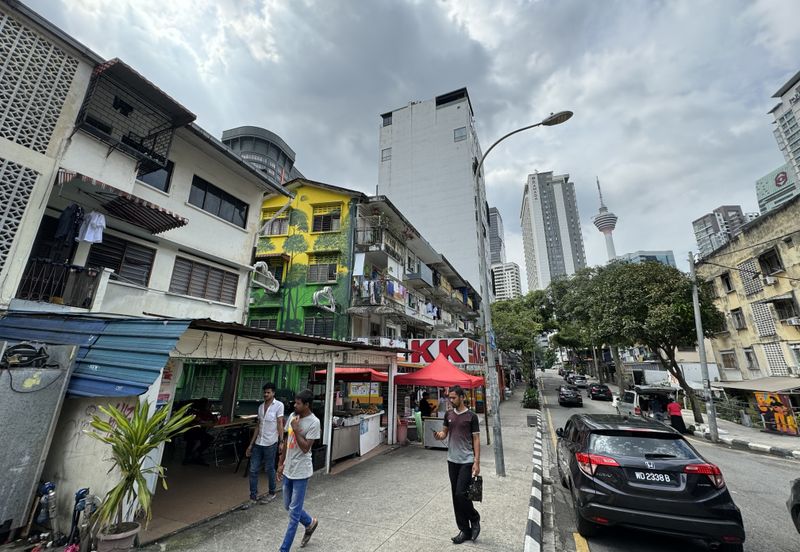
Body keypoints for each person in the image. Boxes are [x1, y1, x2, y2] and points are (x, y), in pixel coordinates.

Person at [433, 385, 481, 544]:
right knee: (455, 496)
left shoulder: (471, 416)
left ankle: (474, 518)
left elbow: (476, 439)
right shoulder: (448, 415)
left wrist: (477, 462)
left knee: (461, 493)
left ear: (461, 397)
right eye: (449, 398)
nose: (451, 400)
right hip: (451, 460)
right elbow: (444, 433)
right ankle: (464, 530)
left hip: (466, 461)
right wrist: (439, 436)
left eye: (453, 398)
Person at [277, 389, 321, 551]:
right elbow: (288, 442)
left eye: (298, 403)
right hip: (289, 468)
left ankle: (284, 549)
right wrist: (281, 464)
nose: (295, 405)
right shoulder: (292, 417)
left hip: (301, 471)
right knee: (288, 506)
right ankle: (310, 522)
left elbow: (305, 448)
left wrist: (296, 429)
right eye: (295, 402)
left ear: (307, 405)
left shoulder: (314, 422)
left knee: (293, 515)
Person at [245, 382, 285, 507]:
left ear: (273, 393)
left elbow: (280, 423)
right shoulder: (261, 407)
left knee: (269, 469)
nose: (265, 394)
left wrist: (281, 441)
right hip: (258, 442)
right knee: (253, 469)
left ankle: (272, 492)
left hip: (270, 442)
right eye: (265, 392)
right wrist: (251, 444)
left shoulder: (279, 405)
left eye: (268, 392)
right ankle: (253, 496)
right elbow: (258, 425)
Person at [183, 398, 217, 465]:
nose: (208, 405)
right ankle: (193, 455)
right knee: (206, 439)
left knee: (208, 438)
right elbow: (194, 421)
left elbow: (213, 418)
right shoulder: (194, 411)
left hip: (198, 431)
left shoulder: (205, 411)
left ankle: (196, 454)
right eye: (207, 404)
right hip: (191, 431)